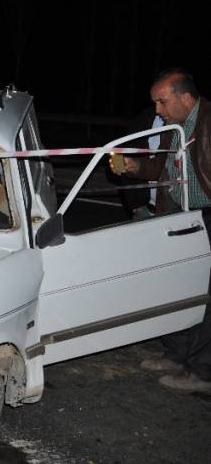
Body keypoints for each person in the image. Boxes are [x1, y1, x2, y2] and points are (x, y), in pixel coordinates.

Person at [111, 68, 211, 391]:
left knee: (206, 295)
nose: (157, 110)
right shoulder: (174, 126)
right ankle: (177, 354)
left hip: (208, 215)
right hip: (182, 215)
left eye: (161, 102)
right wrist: (133, 166)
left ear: (185, 97)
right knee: (177, 286)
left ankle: (202, 371)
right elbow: (160, 166)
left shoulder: (208, 122)